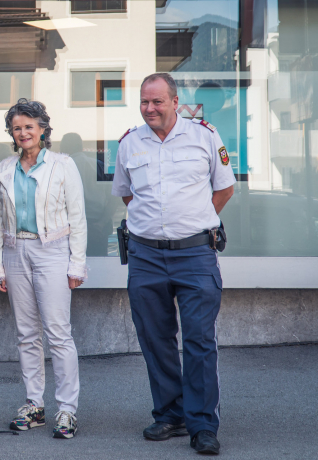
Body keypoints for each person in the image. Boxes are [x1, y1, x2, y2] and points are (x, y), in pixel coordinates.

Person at [111, 73, 235, 455]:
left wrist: (194, 223)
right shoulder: (130, 143)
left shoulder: (204, 136)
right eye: (144, 102)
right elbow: (127, 195)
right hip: (146, 256)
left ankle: (202, 425)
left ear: (175, 102)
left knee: (199, 339)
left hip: (196, 253)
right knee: (155, 337)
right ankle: (171, 414)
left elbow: (224, 187)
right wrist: (156, 229)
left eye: (157, 102)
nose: (150, 109)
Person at [0, 98, 87, 439]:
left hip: (53, 251)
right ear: (12, 133)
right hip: (16, 252)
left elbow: (78, 217)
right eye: (17, 127)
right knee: (26, 335)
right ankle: (34, 405)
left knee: (58, 334)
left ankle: (66, 410)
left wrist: (77, 263)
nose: (23, 132)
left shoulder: (63, 165)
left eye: (29, 126)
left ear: (43, 129)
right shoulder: (4, 168)